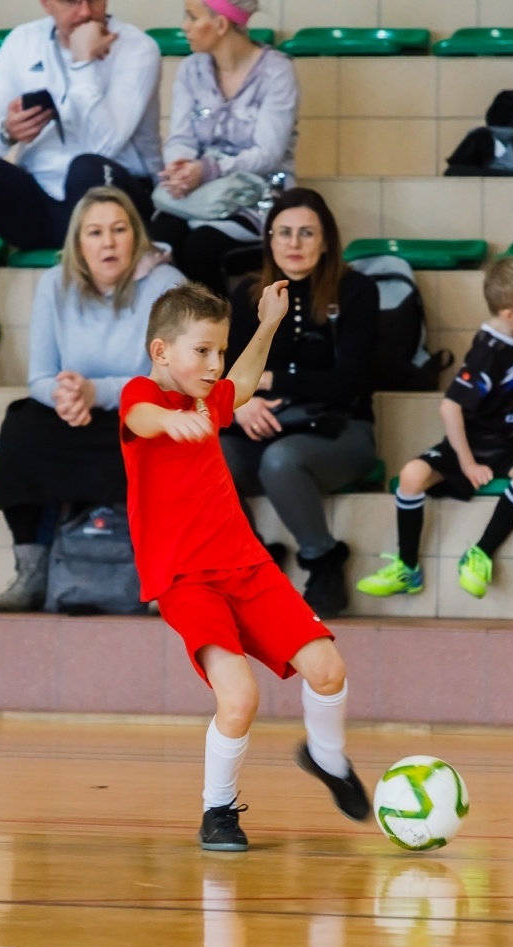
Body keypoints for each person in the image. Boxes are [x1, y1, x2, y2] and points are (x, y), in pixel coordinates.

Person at [121, 280, 370, 851]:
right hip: (187, 582)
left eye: (219, 352)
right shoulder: (149, 397)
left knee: (328, 668)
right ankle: (218, 812)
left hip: (246, 568)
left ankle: (326, 758)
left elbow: (244, 381)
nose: (214, 365)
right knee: (239, 697)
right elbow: (137, 417)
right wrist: (170, 423)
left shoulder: (208, 396)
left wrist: (268, 324)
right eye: (202, 351)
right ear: (161, 352)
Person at [0, 0, 162, 386]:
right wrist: (7, 132)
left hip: (116, 198)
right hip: (43, 202)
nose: (87, 11)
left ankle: (93, 333)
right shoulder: (23, 43)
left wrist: (83, 62)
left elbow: (103, 142)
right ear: (46, 4)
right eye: (73, 1)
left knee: (84, 167)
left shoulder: (137, 48)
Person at [0, 186, 183, 612]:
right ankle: (32, 566)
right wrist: (66, 396)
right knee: (21, 427)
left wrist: (98, 392)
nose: (108, 242)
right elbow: (39, 376)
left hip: (143, 410)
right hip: (77, 411)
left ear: (137, 236)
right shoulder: (53, 284)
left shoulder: (167, 285)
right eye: (94, 232)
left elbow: (170, 381)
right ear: (78, 243)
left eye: (118, 230)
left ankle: (162, 573)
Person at [356, 257, 513, 601]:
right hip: (471, 444)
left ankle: (481, 553)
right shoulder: (487, 352)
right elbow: (450, 407)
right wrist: (468, 462)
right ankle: (407, 567)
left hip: (511, 447)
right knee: (411, 476)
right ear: (509, 313)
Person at [222, 188, 378, 621]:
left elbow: (347, 384)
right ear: (269, 239)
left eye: (307, 233)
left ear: (325, 240)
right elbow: (226, 375)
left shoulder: (357, 291)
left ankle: (324, 562)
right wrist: (239, 405)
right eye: (284, 233)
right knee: (204, 453)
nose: (294, 243)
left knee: (280, 460)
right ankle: (252, 561)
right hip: (265, 424)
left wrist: (270, 380)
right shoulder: (247, 294)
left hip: (341, 431)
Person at [149, 0, 299, 296]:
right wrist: (180, 167)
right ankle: (174, 336)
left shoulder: (277, 72)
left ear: (220, 24)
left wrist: (208, 169)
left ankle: (215, 336)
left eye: (192, 17)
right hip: (199, 192)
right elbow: (180, 137)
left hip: (257, 196)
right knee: (159, 238)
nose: (184, 26)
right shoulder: (191, 69)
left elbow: (268, 154)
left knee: (201, 247)